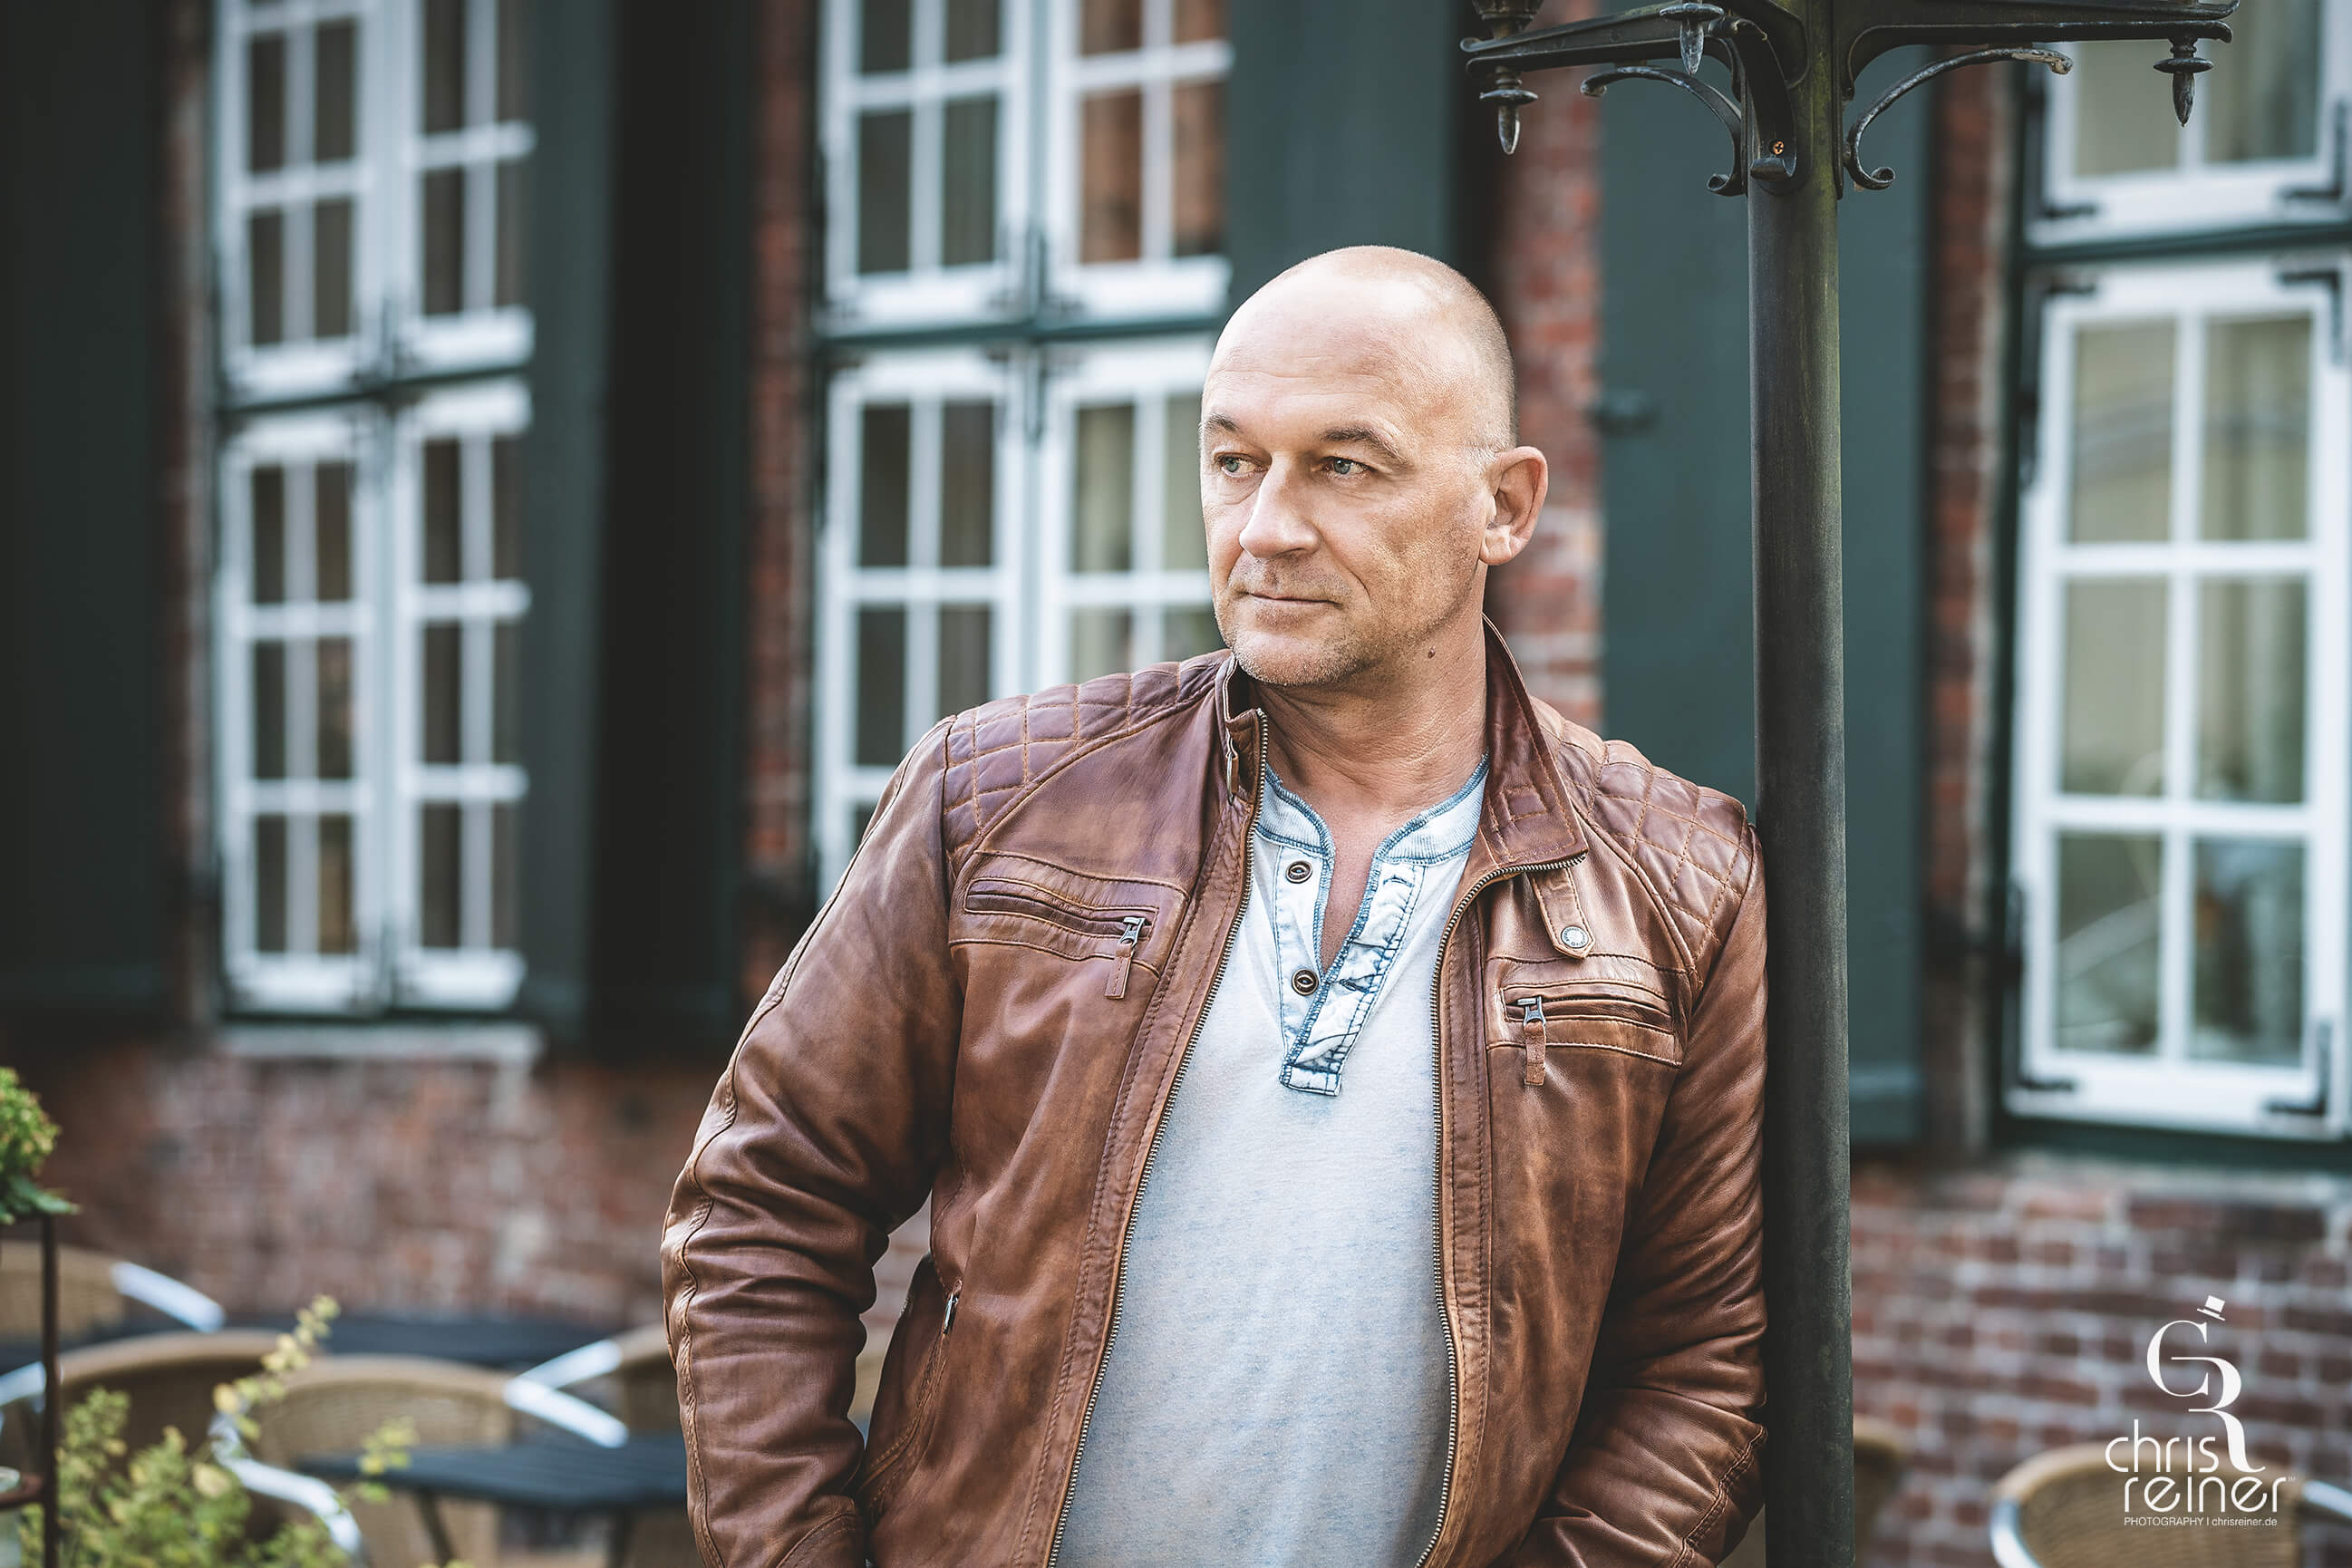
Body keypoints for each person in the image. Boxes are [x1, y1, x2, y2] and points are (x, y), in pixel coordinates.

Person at [661, 245, 1767, 1568]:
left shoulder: (1678, 880)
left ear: (1504, 505)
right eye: (1235, 461)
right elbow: (766, 1204)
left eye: (1344, 466)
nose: (1266, 527)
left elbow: (1709, 1360)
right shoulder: (1001, 797)